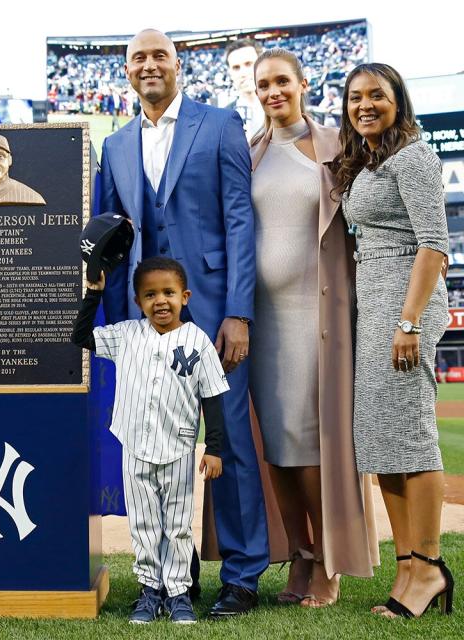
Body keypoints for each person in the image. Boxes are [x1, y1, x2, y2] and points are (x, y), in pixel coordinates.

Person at [100, 29, 268, 617]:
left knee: (229, 440)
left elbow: (240, 220)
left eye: (159, 55)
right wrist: (115, 318)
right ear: (126, 71)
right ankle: (176, 577)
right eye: (138, 57)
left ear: (178, 64)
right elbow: (111, 237)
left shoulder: (219, 124)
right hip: (145, 318)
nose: (149, 64)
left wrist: (239, 313)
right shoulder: (115, 145)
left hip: (215, 306)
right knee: (156, 446)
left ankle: (243, 574)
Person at [248, 48, 377, 608]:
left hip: (316, 318)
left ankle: (327, 560)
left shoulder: (335, 147)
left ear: (302, 84)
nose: (273, 92)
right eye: (263, 85)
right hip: (260, 323)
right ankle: (298, 557)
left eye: (282, 82)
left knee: (311, 446)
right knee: (274, 445)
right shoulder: (247, 153)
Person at [334, 63, 454, 619]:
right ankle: (407, 566)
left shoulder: (414, 156)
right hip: (373, 308)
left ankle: (428, 568)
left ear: (398, 100)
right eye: (356, 97)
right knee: (381, 443)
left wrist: (408, 322)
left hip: (403, 310)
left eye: (376, 95)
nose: (365, 105)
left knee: (411, 437)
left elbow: (434, 244)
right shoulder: (372, 158)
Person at [73, 258, 227, 624]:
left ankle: (178, 594)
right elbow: (81, 336)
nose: (161, 301)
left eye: (169, 293)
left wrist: (216, 448)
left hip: (179, 449)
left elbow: (214, 397)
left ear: (184, 296)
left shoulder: (198, 341)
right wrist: (93, 293)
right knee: (143, 524)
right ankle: (149, 591)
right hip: (136, 446)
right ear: (139, 300)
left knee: (176, 525)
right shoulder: (127, 335)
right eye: (150, 294)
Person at [223, 39, 265, 141]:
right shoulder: (224, 117)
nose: (243, 73)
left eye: (249, 64)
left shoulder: (282, 105)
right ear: (230, 73)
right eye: (236, 68)